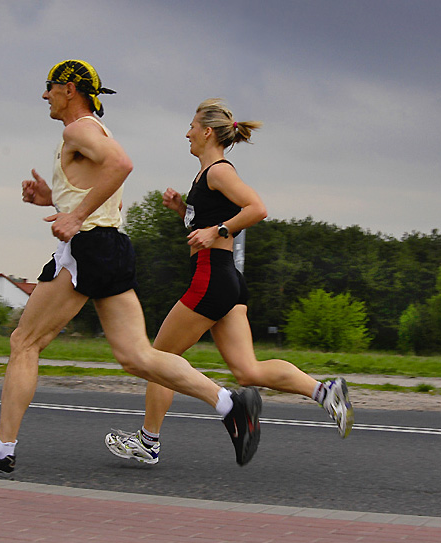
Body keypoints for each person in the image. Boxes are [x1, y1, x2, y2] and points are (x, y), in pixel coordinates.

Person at [0, 61, 262, 478]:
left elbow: (121, 166)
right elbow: (102, 181)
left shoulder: (77, 130)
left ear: (69, 89)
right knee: (137, 356)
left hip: (88, 247)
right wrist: (54, 199)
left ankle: (2, 449)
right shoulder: (94, 131)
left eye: (49, 87)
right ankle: (229, 404)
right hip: (111, 245)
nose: (44, 96)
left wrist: (75, 215)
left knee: (24, 341)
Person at [104, 98, 353, 465]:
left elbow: (256, 208)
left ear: (207, 132)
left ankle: (148, 441)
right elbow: (206, 222)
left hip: (211, 276)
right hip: (227, 280)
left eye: (191, 126)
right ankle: (324, 391)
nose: (186, 132)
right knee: (247, 370)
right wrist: (183, 210)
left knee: (158, 359)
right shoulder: (206, 176)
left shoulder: (219, 171)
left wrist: (217, 229)